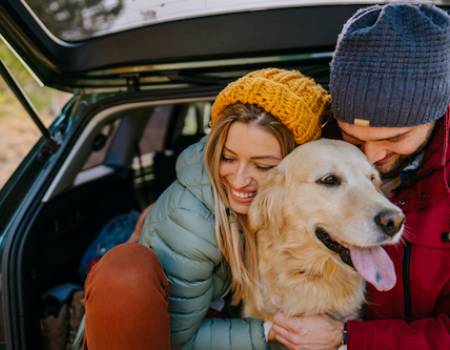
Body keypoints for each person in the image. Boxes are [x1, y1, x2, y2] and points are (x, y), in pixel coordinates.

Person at [83, 68, 331, 349]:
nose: (239, 180)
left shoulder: (305, 204)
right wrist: (270, 331)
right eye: (227, 158)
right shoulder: (193, 225)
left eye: (263, 166)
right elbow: (179, 339)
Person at [268, 3, 450, 350]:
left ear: (437, 112)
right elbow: (237, 161)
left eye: (394, 138)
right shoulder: (312, 144)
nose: (371, 156)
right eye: (353, 137)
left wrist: (350, 339)